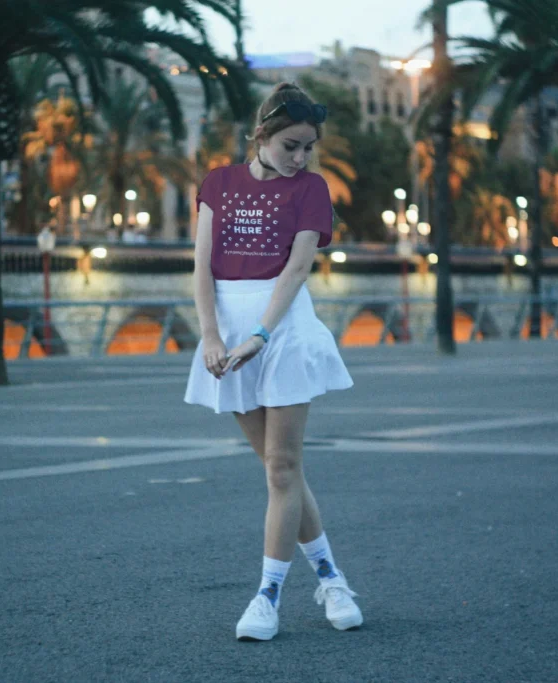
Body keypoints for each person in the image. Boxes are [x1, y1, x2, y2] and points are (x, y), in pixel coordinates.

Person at [184, 82, 361, 641]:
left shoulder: (311, 189)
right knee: (278, 469)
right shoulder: (217, 184)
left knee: (282, 467)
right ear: (261, 136)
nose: (300, 157)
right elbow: (202, 269)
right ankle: (331, 577)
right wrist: (211, 337)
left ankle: (267, 597)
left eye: (309, 147)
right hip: (228, 332)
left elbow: (297, 269)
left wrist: (261, 333)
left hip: (281, 327)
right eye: (291, 145)